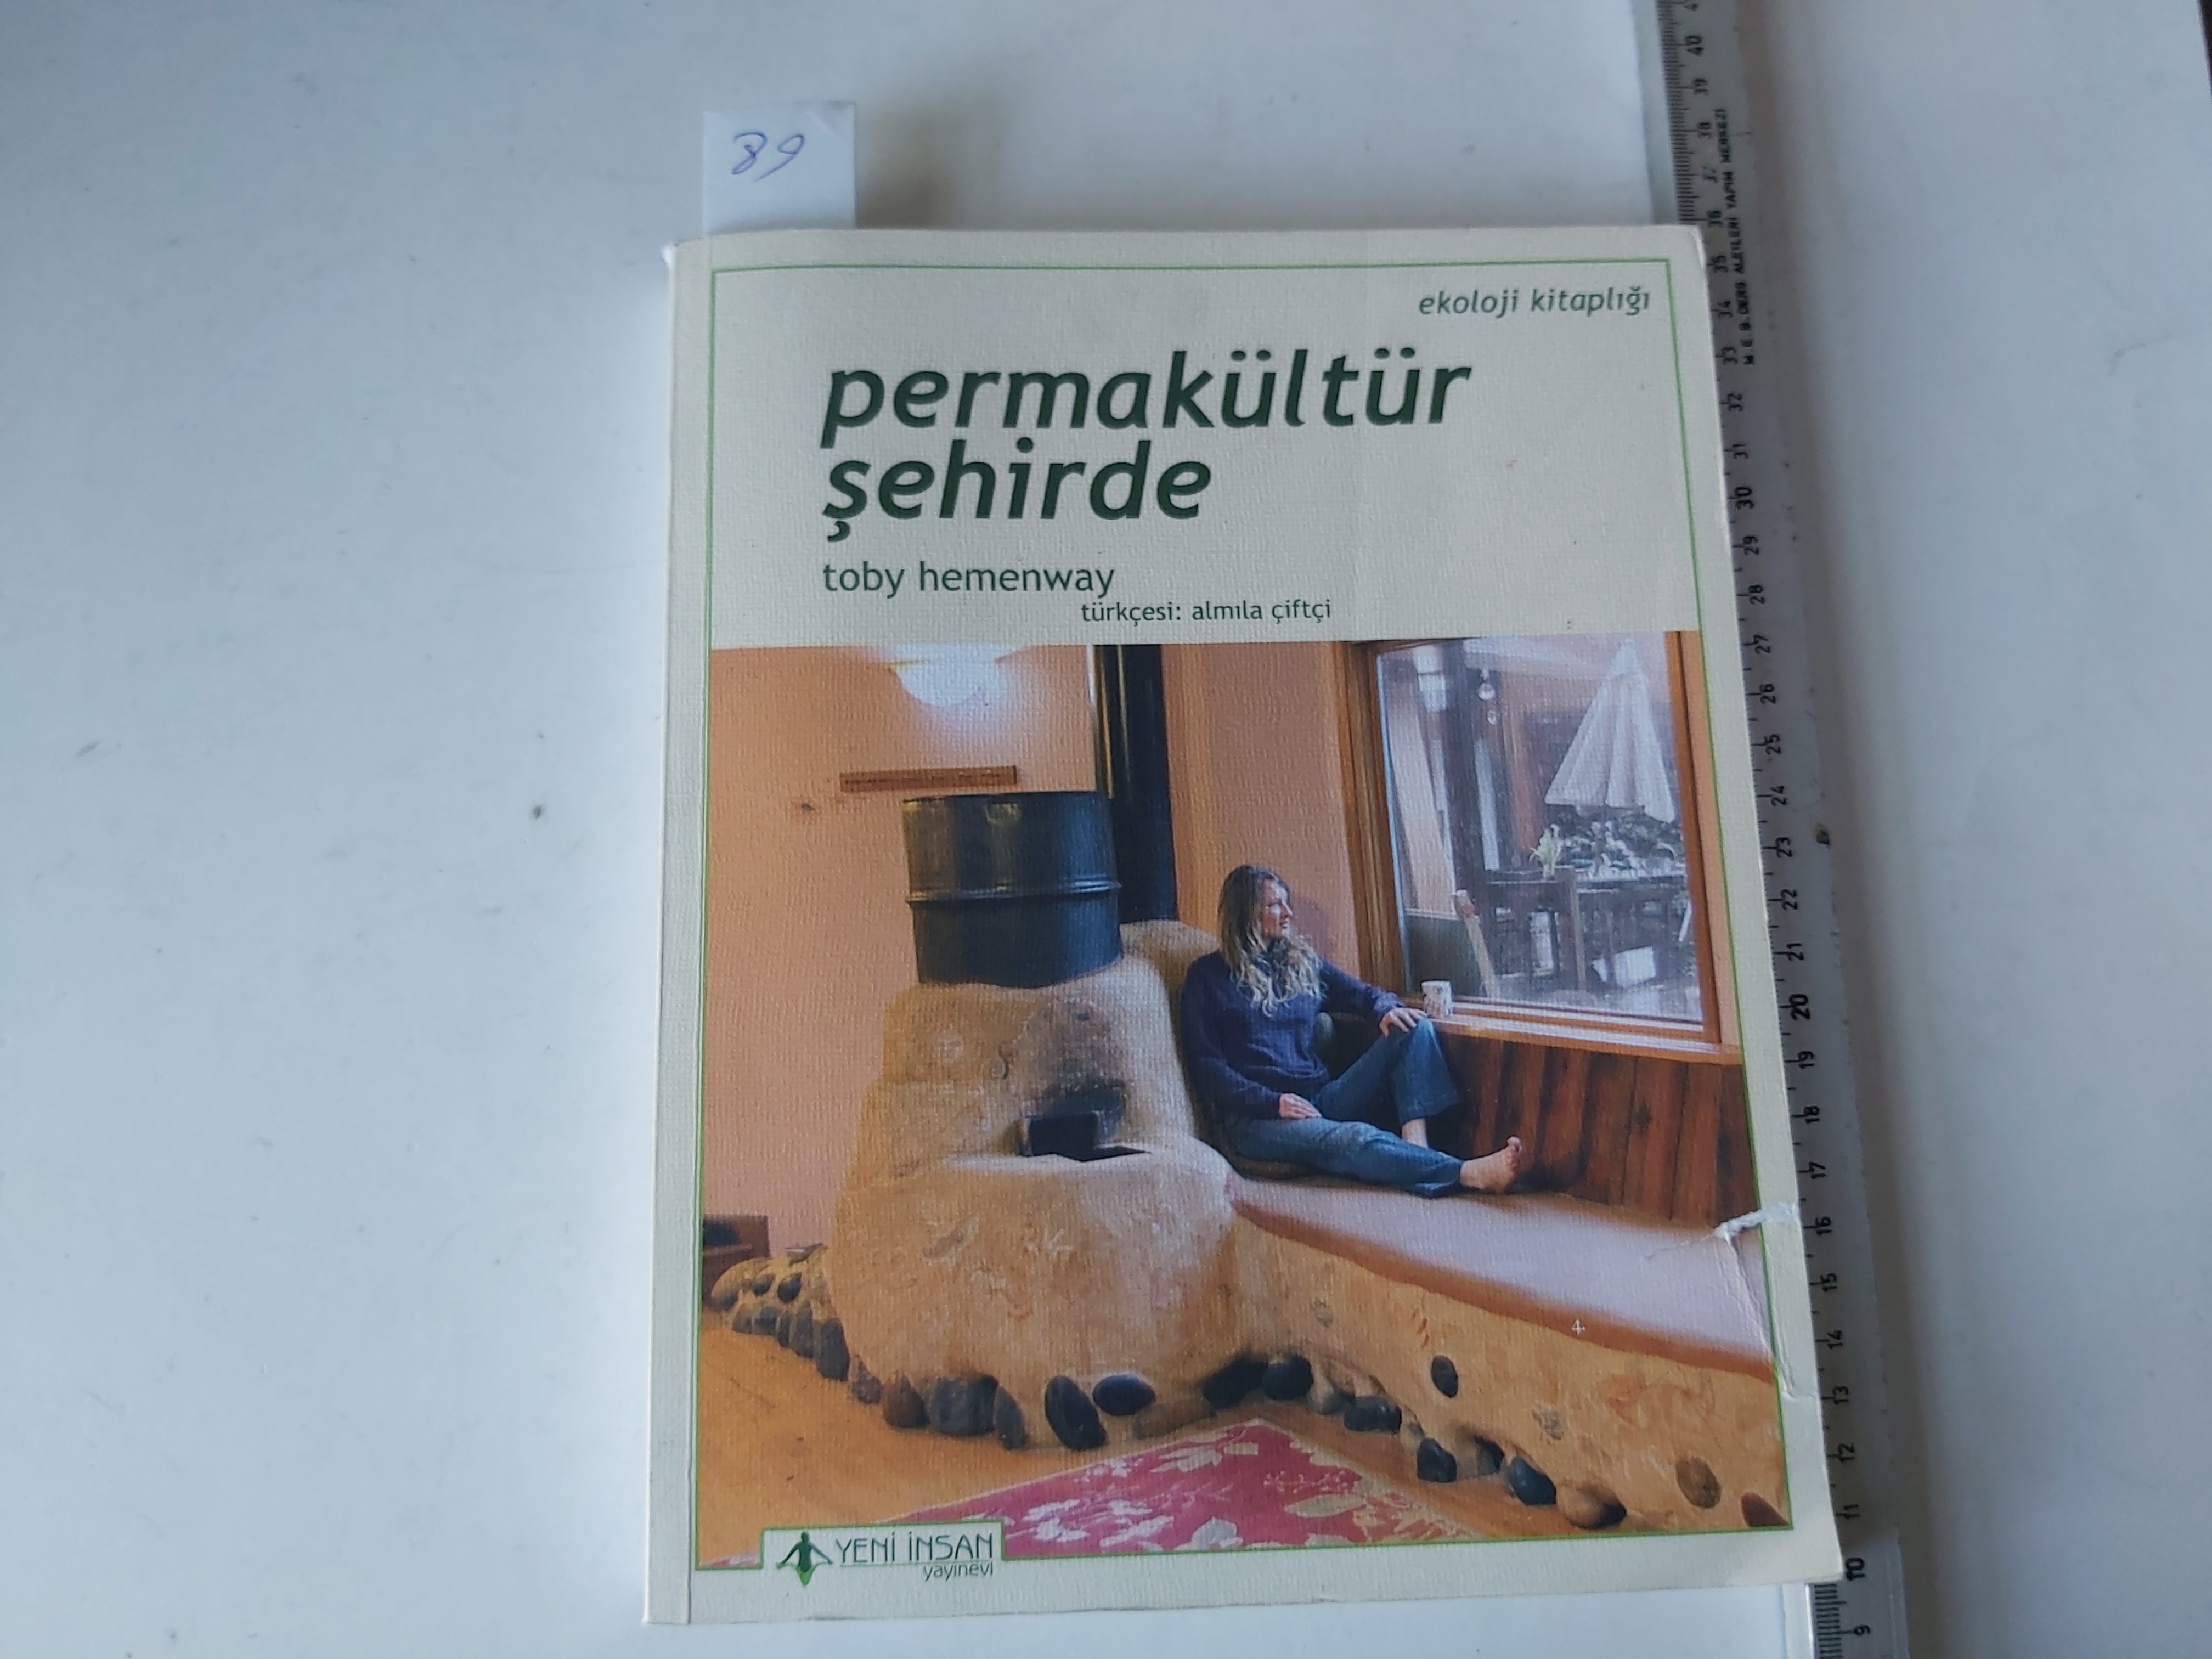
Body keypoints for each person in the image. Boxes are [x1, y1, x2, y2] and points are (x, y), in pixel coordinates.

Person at [1178, 865, 1524, 1197]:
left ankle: (1417, 1146)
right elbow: (1208, 1067)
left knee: (1413, 1027)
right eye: (1275, 905)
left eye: (1286, 903)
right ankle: (1465, 1174)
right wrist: (1273, 1103)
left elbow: (1362, 994)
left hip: (1320, 1097)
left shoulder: (1301, 963)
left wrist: (1384, 1009)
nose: (1288, 913)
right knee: (1354, 1138)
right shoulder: (1207, 977)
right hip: (1257, 1120)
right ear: (1245, 914)